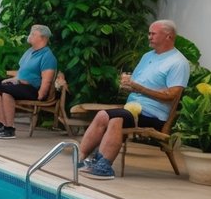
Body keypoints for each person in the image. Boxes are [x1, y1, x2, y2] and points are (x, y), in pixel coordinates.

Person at [78, 19, 190, 180]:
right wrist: (128, 84)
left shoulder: (178, 62)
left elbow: (172, 95)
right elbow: (139, 85)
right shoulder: (147, 56)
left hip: (154, 115)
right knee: (103, 115)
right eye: (149, 33)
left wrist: (140, 89)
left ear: (169, 37)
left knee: (116, 118)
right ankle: (81, 159)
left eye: (153, 33)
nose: (149, 37)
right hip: (133, 108)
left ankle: (104, 167)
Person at [0, 24, 58, 140]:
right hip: (21, 84)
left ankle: (9, 129)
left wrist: (41, 95)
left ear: (43, 38)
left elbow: (47, 80)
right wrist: (13, 80)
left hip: (34, 89)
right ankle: (0, 125)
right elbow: (21, 71)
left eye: (34, 34)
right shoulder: (29, 51)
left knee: (6, 90)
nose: (30, 36)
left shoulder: (47, 56)